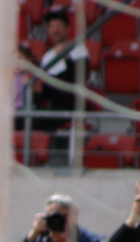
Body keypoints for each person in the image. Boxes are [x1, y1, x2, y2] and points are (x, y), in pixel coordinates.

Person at [31, 10, 87, 152]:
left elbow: (76, 81)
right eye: (52, 26)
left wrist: (66, 57)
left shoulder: (79, 51)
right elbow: (47, 87)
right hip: (52, 105)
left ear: (67, 29)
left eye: (59, 26)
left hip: (71, 104)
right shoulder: (47, 56)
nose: (56, 30)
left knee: (36, 120)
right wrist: (40, 89)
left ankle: (42, 155)